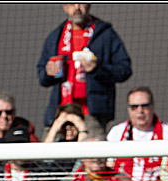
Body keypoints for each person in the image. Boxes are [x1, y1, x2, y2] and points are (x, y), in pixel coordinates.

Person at [36, 3, 132, 134]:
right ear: (65, 7)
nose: (77, 8)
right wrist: (48, 72)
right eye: (71, 4)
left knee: (92, 153)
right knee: (49, 151)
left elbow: (124, 69)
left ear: (89, 5)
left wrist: (97, 68)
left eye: (81, 3)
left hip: (92, 115)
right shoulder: (56, 35)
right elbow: (42, 76)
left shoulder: (105, 34)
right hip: (60, 113)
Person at [106, 87, 168, 181]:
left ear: (153, 107)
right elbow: (110, 165)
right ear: (128, 109)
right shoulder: (116, 132)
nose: (140, 111)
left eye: (145, 106)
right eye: (134, 107)